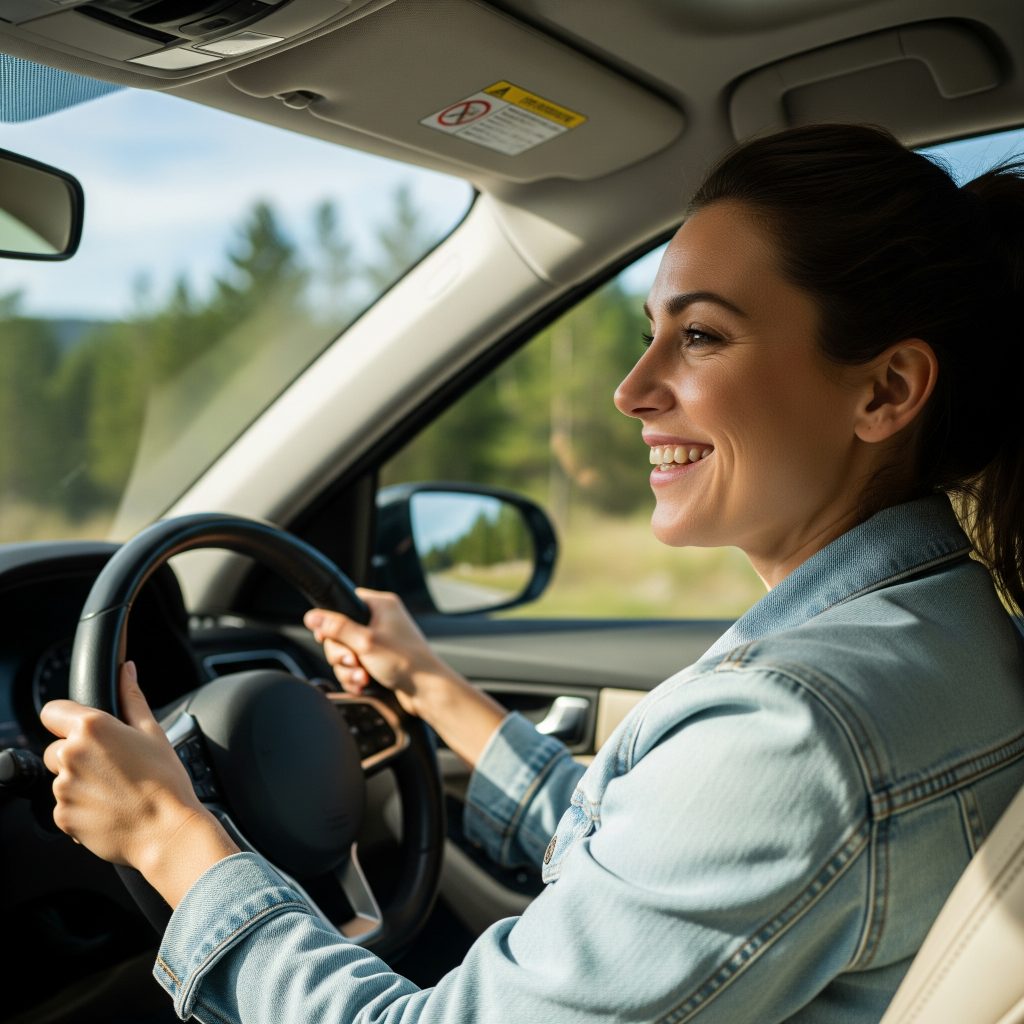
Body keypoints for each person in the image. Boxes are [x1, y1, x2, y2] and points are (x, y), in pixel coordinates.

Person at [40, 123, 1024, 1023]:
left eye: (700, 335)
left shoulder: (794, 728)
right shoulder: (947, 634)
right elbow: (657, 866)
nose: (631, 389)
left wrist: (172, 837)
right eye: (649, 331)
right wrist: (433, 690)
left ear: (885, 390)